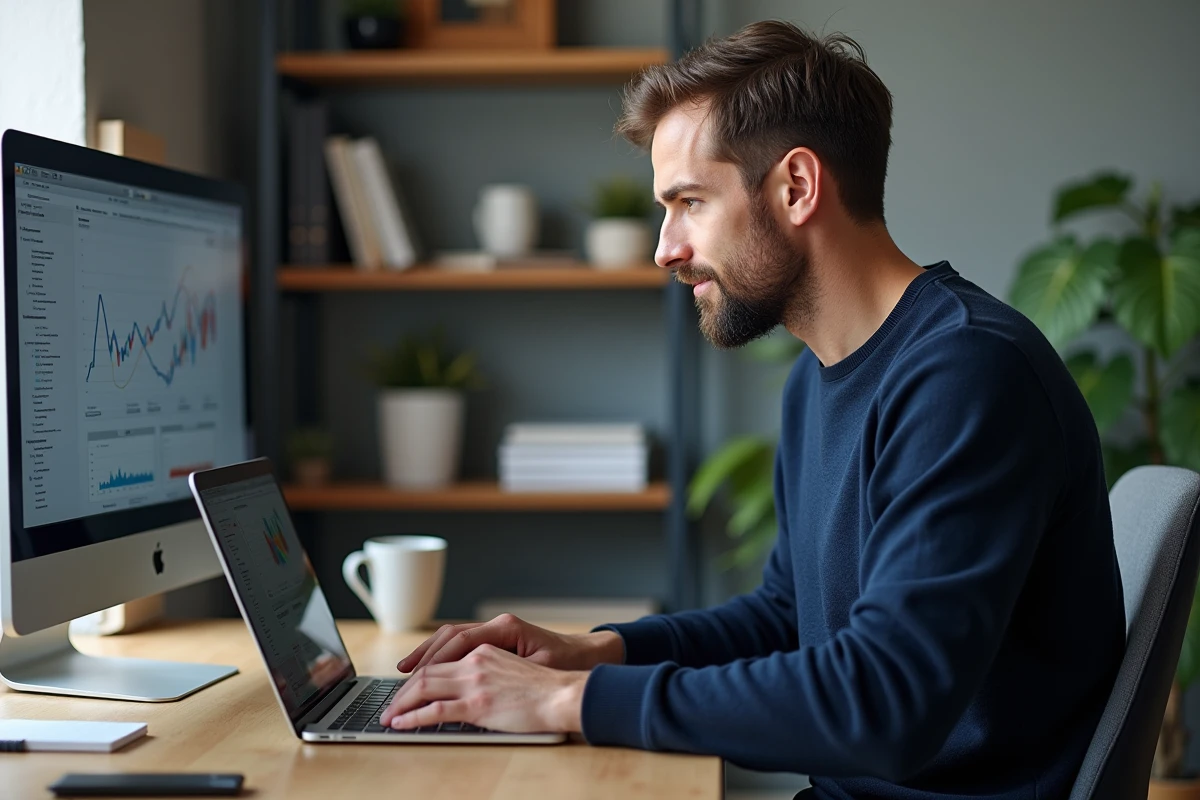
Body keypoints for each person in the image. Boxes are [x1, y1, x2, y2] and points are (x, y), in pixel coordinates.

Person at [380, 20, 1125, 800]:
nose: (665, 248)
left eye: (690, 202)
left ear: (797, 188)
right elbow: (786, 616)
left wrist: (568, 703)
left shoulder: (968, 375)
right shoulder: (822, 377)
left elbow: (886, 704)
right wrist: (590, 655)